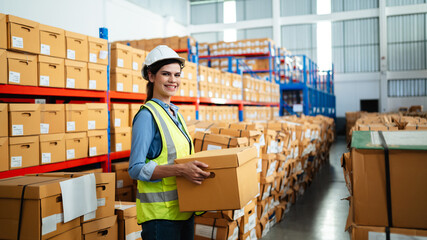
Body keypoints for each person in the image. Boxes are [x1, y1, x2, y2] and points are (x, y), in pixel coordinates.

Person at [128, 45, 210, 240]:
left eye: (177, 75)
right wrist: (181, 170)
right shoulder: (147, 116)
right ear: (151, 76)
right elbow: (136, 168)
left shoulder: (176, 114)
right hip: (161, 219)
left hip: (185, 211)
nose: (173, 80)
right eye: (166, 74)